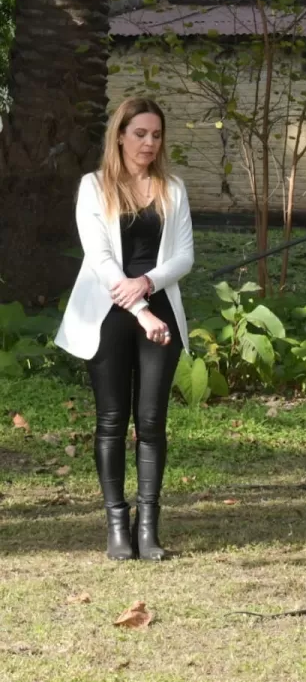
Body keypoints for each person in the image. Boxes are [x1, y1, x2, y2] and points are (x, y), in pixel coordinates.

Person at [55, 97, 194, 561]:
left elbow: (184, 256)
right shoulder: (93, 187)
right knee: (112, 421)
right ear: (120, 135)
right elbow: (100, 261)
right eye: (140, 134)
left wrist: (149, 284)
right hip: (108, 314)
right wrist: (141, 309)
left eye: (156, 135)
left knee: (152, 422)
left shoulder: (172, 188)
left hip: (160, 306)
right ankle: (117, 524)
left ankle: (148, 526)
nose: (149, 143)